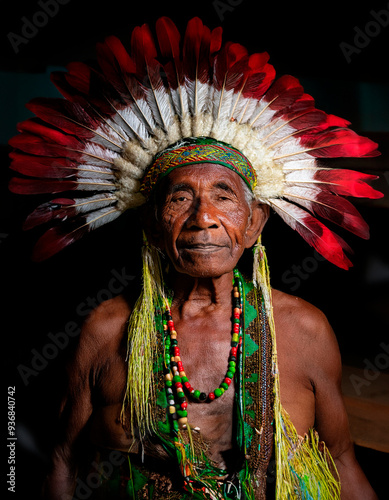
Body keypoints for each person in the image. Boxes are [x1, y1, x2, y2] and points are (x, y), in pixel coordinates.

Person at [9, 16, 382, 500]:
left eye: (224, 197)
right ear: (152, 226)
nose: (203, 218)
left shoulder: (302, 329)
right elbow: (61, 460)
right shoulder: (107, 330)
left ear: (254, 225)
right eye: (180, 198)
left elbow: (343, 460)